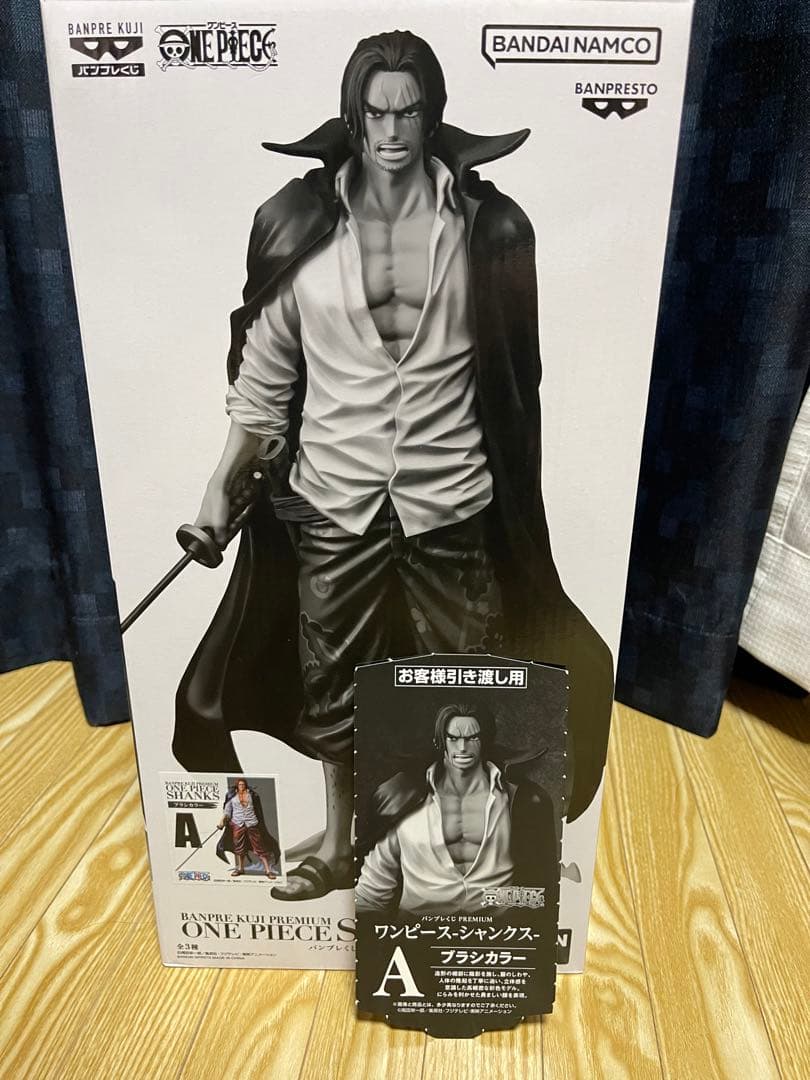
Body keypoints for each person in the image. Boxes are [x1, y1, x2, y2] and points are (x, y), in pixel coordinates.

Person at [174, 29, 613, 901]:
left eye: (409, 112)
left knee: (466, 683)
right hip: (335, 500)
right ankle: (342, 847)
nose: (392, 130)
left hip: (451, 500)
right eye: (376, 112)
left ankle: (460, 858)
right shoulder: (299, 228)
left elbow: (514, 378)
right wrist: (219, 492)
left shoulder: (488, 229)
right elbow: (264, 379)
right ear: (354, 117)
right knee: (334, 684)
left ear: (432, 115)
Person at [355, 703, 556, 914]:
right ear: (441, 741)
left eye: (472, 738)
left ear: (485, 740)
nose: (462, 747)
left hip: (497, 929)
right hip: (418, 928)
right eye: (453, 738)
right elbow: (370, 893)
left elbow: (541, 889)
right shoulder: (404, 799)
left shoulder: (518, 799)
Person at [216, 778, 280, 878]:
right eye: (240, 785)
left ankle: (268, 870)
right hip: (238, 823)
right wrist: (222, 822)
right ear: (237, 786)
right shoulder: (232, 796)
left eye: (243, 784)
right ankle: (240, 869)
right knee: (239, 848)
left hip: (251, 823)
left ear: (245, 785)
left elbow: (257, 810)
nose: (241, 786)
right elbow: (227, 812)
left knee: (260, 847)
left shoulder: (252, 796)